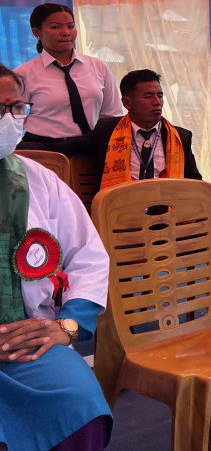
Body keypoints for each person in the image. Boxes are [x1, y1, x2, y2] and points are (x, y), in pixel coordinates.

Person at [0, 63, 112, 451]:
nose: (9, 120)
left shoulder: (40, 180)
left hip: (29, 339)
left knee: (81, 409)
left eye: (17, 108)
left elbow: (88, 256)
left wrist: (66, 325)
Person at [55, 70, 201, 187]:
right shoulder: (107, 131)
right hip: (121, 209)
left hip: (168, 210)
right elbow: (64, 148)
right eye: (148, 96)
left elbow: (195, 182)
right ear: (127, 103)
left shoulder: (179, 137)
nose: (157, 102)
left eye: (160, 95)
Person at [15, 3, 120, 150]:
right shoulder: (23, 74)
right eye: (55, 27)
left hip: (90, 146)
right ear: (36, 32)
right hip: (43, 149)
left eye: (71, 26)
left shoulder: (98, 67)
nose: (66, 32)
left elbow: (111, 115)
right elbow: (13, 120)